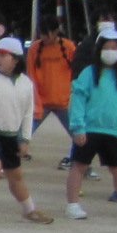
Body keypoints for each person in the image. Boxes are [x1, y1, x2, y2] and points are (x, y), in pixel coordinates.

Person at [0, 35, 52, 226]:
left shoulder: (26, 84)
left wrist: (25, 139)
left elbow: (28, 113)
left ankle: (29, 210)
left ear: (16, 59)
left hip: (11, 135)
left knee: (16, 175)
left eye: (3, 55)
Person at [63, 31, 117, 221]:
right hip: (89, 130)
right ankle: (72, 205)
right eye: (106, 48)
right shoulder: (88, 73)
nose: (110, 52)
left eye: (114, 48)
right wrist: (77, 127)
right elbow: (78, 101)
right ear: (98, 50)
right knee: (79, 166)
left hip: (114, 131)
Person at [28, 18, 79, 155]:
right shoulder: (34, 49)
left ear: (56, 32)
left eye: (48, 34)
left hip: (64, 102)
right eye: (43, 34)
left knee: (78, 135)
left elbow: (77, 72)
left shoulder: (69, 47)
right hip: (41, 102)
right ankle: (9, 160)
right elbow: (31, 76)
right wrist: (35, 101)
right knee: (25, 134)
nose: (45, 37)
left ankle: (78, 161)